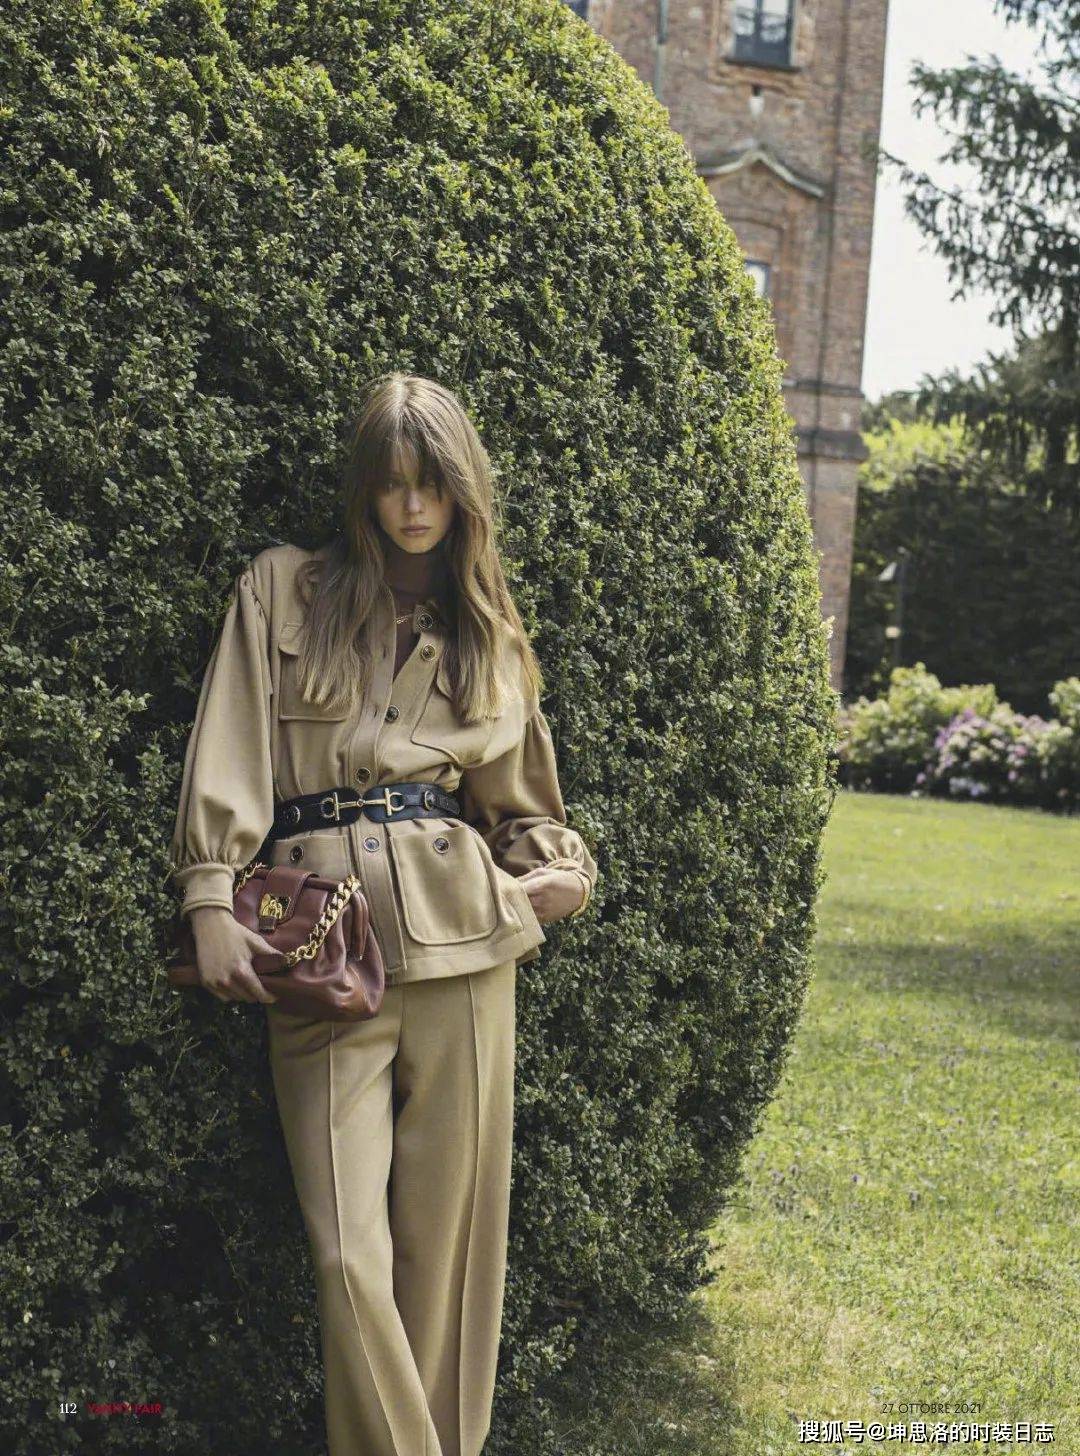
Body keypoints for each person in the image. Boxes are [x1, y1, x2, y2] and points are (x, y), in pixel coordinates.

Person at [167, 370, 599, 1456]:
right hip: (320, 953)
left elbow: (525, 810)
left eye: (433, 485)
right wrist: (211, 892)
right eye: (395, 483)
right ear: (364, 487)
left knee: (447, 1255)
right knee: (348, 1254)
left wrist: (558, 876)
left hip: (468, 948)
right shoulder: (283, 590)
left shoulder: (489, 635)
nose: (413, 506)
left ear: (463, 494)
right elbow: (230, 743)